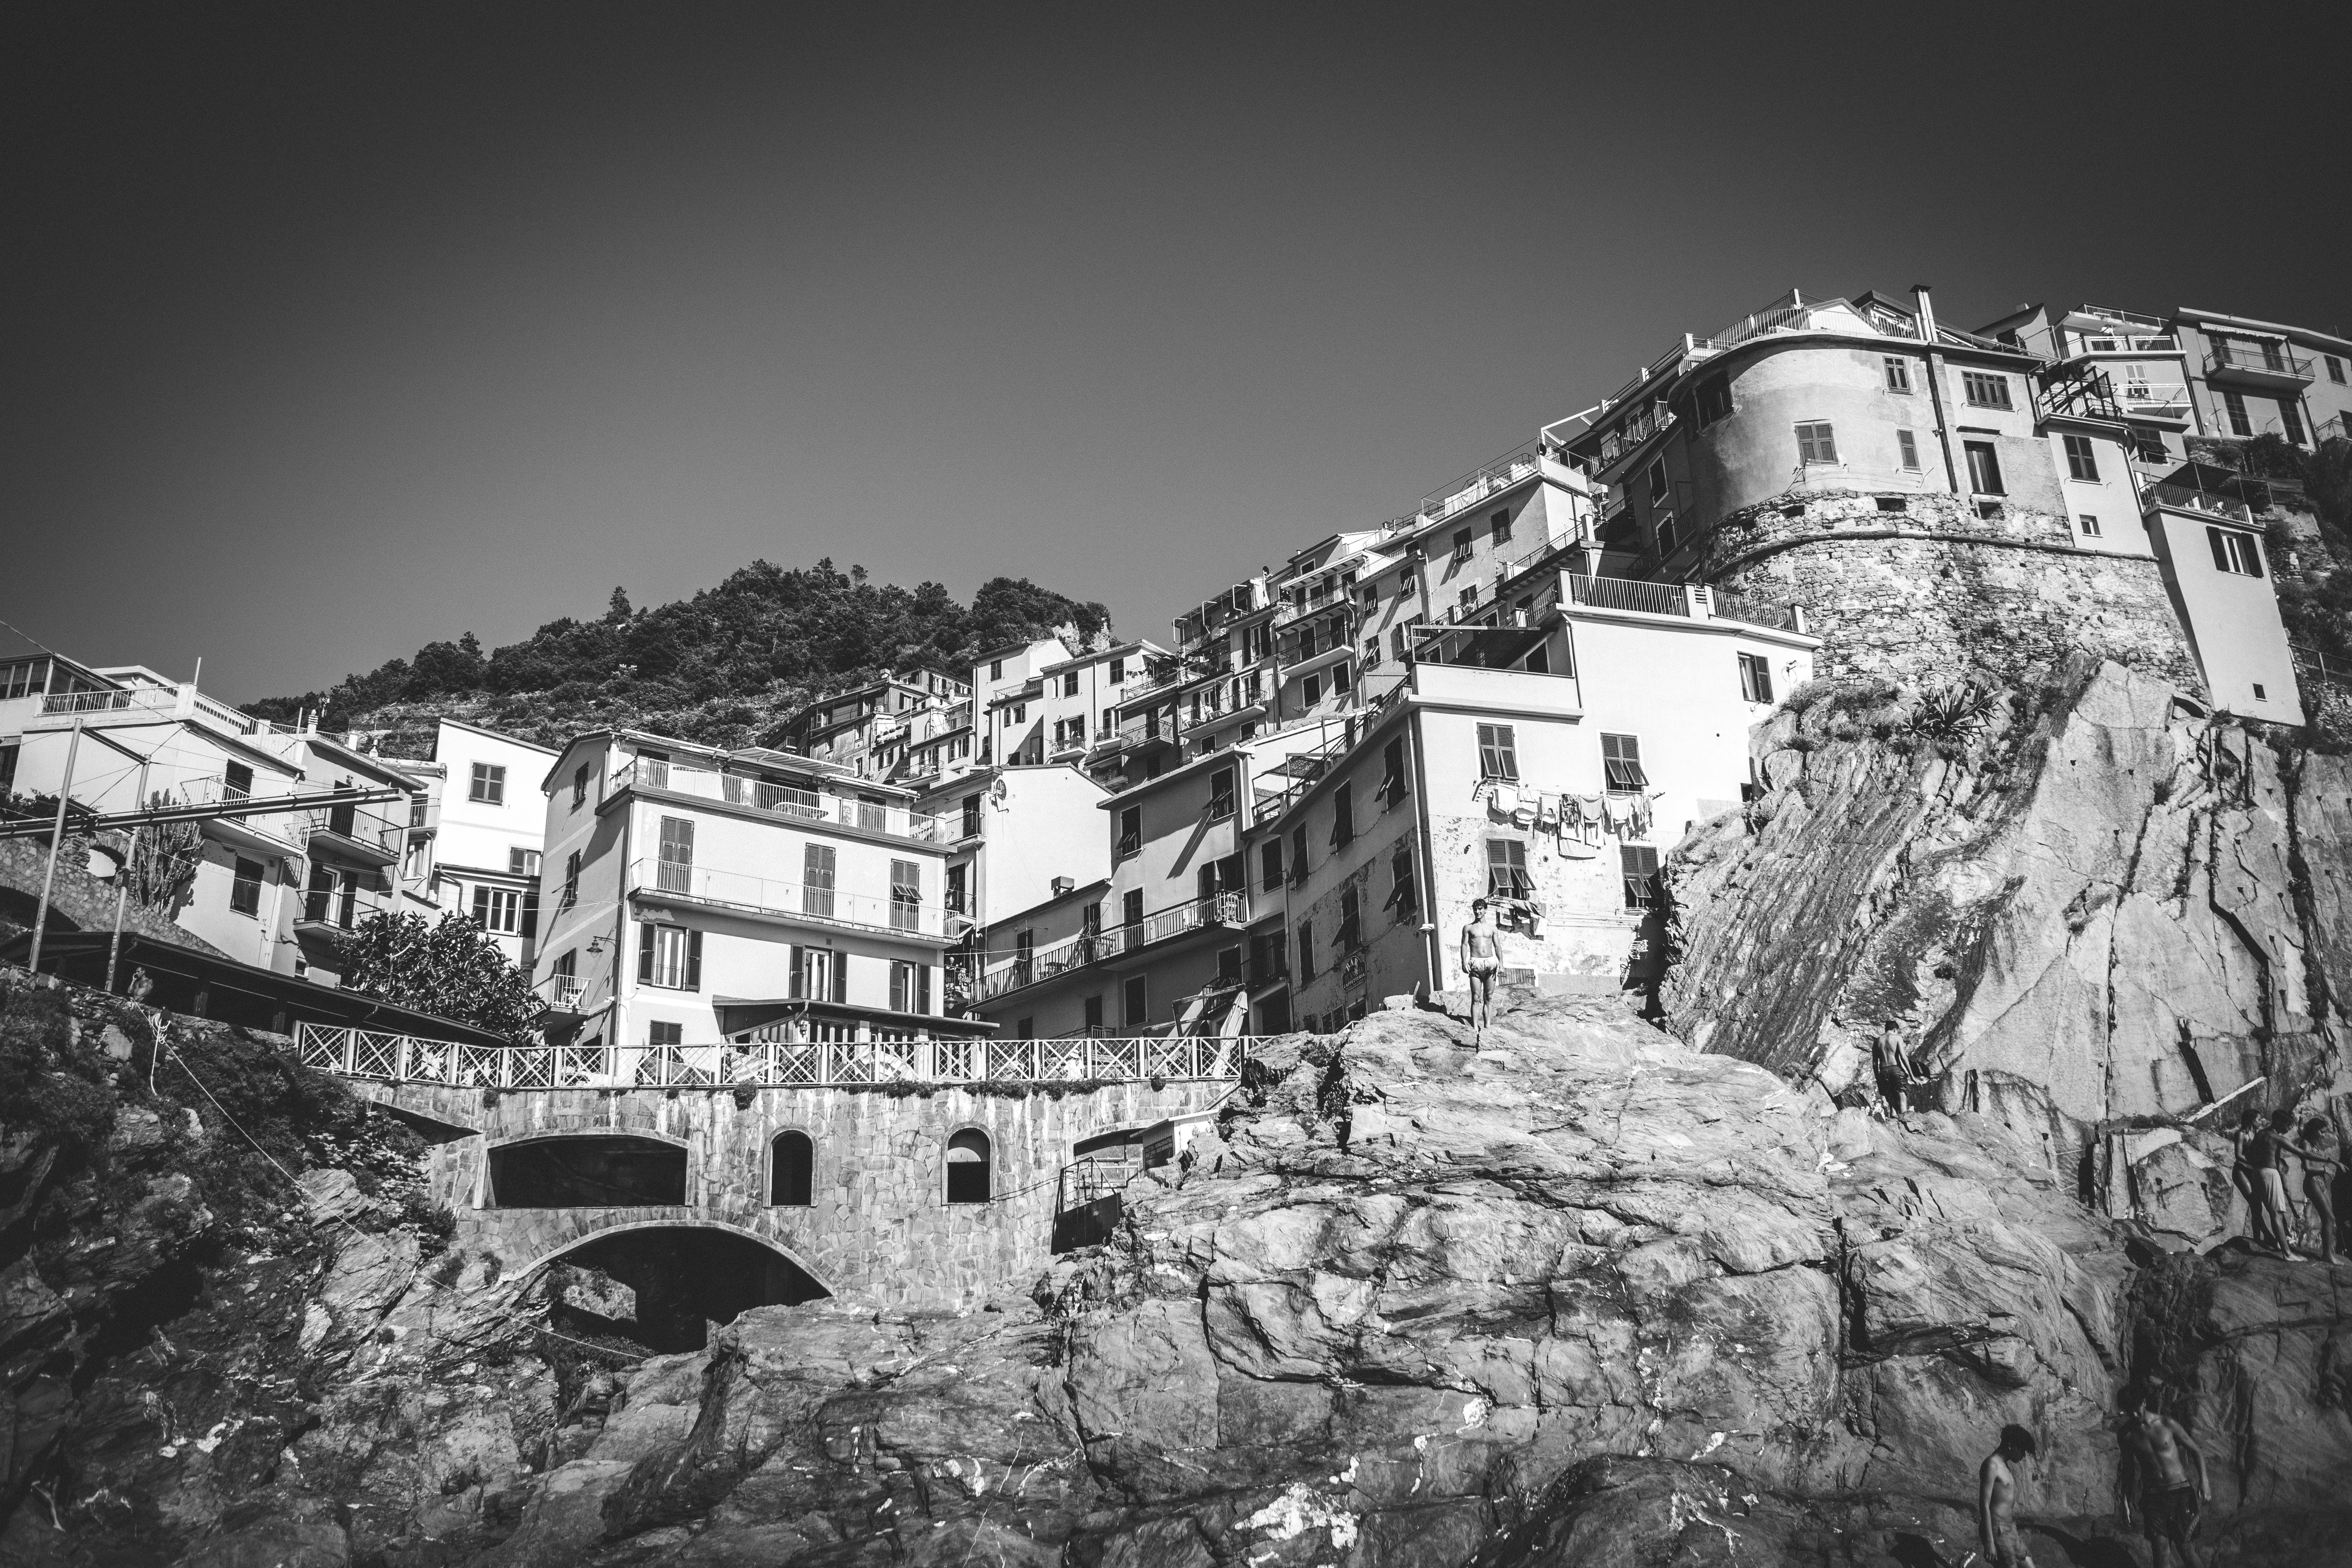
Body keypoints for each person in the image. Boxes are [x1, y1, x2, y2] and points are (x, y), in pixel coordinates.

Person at [2118, 1383, 2209, 1568]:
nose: (2134, 1415)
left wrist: (2204, 1482)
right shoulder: (2127, 1435)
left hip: (2180, 1493)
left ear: (2144, 1403)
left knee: (2186, 1551)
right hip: (2153, 1497)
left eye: (2136, 1410)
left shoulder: (2167, 1424)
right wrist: (2125, 1500)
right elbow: (2128, 1469)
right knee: (2161, 1552)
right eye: (2129, 1412)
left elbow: (2195, 1450)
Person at [1977, 1423, 2038, 1567]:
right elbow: (1984, 1504)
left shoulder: (2005, 1465)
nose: (2024, 1455)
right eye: (2022, 1451)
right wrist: (1989, 1542)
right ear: (2011, 1446)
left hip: (2011, 1529)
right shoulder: (1992, 1465)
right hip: (1997, 1530)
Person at [2294, 1116, 2340, 1265]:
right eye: (2321, 1132)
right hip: (2312, 1183)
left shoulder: (2310, 1143)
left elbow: (2301, 1131)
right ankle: (2327, 1254)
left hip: (2318, 1184)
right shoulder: (2306, 1144)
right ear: (2314, 1131)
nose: (2323, 1135)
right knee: (2329, 1218)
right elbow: (2307, 1168)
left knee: (2328, 1218)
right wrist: (2325, 1169)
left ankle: (2328, 1253)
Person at [2228, 1108, 2270, 1248]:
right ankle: (2266, 1236)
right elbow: (2238, 1155)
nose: (2261, 1122)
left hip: (2253, 1172)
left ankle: (2258, 1239)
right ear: (2252, 1120)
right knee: (2254, 1203)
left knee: (2257, 1205)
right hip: (2241, 1172)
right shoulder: (2241, 1134)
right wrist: (2254, 1163)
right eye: (2258, 1119)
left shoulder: (2256, 1133)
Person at [1460, 899, 1501, 1033]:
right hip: (1476, 963)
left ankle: (1487, 1026)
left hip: (1490, 963)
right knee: (1476, 997)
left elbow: (1497, 946)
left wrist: (1501, 963)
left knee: (1488, 997)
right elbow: (1464, 945)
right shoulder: (1469, 928)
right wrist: (1464, 962)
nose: (1477, 912)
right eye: (1475, 909)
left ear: (1485, 910)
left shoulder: (1493, 928)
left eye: (1480, 909)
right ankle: (1474, 1027)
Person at [1871, 1021, 1908, 1117]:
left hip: (1883, 1073)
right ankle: (1906, 1128)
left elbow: (1875, 1064)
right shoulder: (1897, 1038)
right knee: (1902, 1102)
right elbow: (1904, 1057)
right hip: (1896, 1070)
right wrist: (1912, 1077)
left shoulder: (1877, 1041)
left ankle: (1894, 1128)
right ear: (1895, 1029)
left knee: (1892, 1106)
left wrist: (1879, 1081)